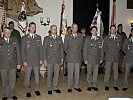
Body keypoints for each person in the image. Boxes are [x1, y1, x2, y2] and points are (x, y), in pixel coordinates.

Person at [21, 22, 43, 97]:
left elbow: (40, 49)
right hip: (28, 61)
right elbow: (22, 50)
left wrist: (41, 59)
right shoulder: (24, 38)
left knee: (37, 77)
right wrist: (24, 61)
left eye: (34, 27)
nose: (33, 28)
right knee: (27, 77)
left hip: (36, 60)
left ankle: (36, 89)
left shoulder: (38, 37)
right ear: (29, 28)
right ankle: (28, 90)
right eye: (32, 27)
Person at [0, 27, 21, 100]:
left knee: (12, 81)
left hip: (13, 64)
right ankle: (5, 95)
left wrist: (19, 63)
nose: (8, 33)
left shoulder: (14, 40)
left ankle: (12, 94)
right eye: (6, 32)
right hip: (3, 65)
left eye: (9, 32)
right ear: (3, 32)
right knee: (4, 81)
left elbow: (18, 52)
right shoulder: (0, 41)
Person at [43, 25, 64, 95]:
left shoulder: (59, 38)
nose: (55, 30)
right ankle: (49, 88)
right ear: (50, 30)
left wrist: (62, 58)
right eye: (53, 29)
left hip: (57, 59)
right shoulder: (46, 38)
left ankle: (55, 87)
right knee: (49, 75)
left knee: (56, 75)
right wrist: (45, 60)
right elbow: (44, 50)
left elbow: (61, 49)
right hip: (49, 60)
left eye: (55, 29)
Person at [64, 23, 83, 93]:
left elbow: (81, 47)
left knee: (77, 74)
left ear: (77, 29)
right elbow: (65, 48)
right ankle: (69, 87)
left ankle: (77, 86)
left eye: (76, 28)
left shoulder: (80, 37)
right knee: (70, 73)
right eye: (73, 28)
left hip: (78, 58)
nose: (75, 29)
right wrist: (69, 54)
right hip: (70, 58)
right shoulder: (68, 37)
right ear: (71, 29)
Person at [83, 26, 103, 91]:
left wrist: (101, 58)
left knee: (95, 73)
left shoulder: (100, 39)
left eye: (95, 30)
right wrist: (85, 59)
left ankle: (94, 85)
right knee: (89, 73)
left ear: (97, 31)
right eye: (93, 30)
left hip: (97, 59)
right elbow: (85, 50)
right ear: (91, 31)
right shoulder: (87, 39)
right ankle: (89, 85)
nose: (94, 32)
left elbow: (101, 50)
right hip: (89, 59)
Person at [104, 25, 122, 91]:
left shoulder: (119, 37)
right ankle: (106, 85)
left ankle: (115, 85)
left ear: (116, 30)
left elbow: (119, 48)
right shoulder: (106, 38)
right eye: (112, 29)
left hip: (116, 57)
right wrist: (108, 54)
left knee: (115, 72)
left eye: (114, 29)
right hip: (109, 57)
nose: (113, 30)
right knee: (107, 72)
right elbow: (105, 48)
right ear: (110, 30)